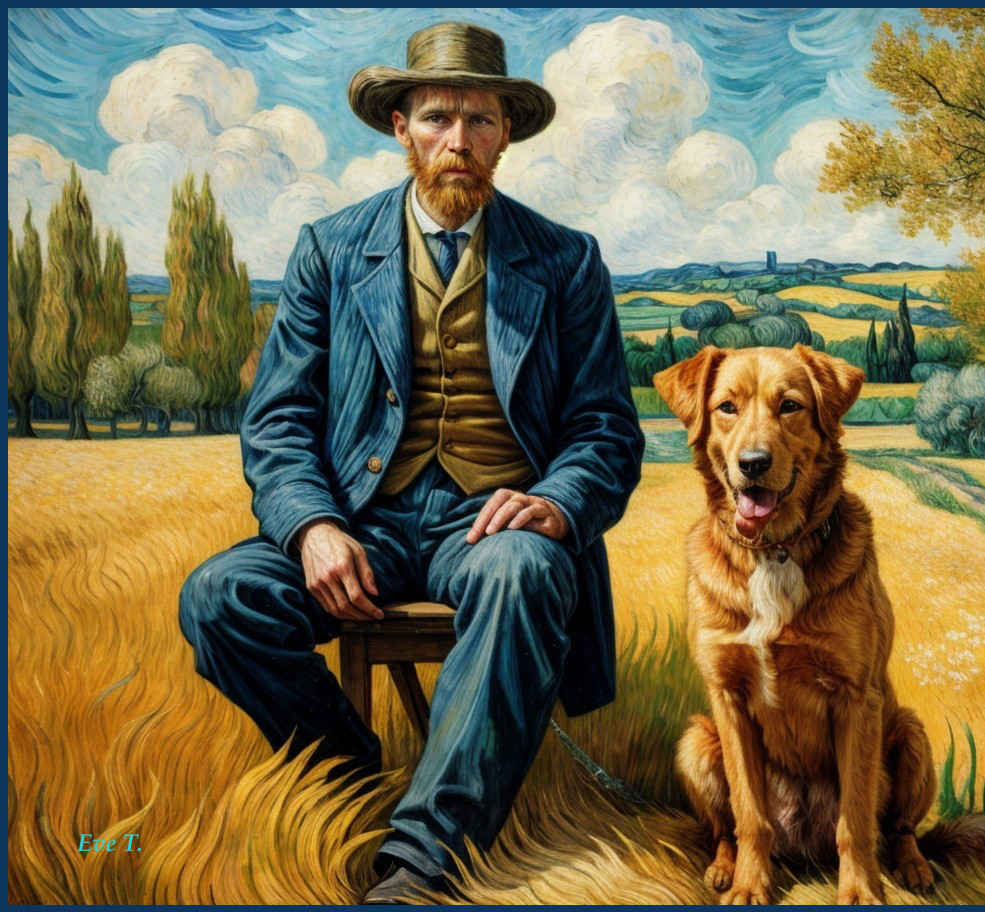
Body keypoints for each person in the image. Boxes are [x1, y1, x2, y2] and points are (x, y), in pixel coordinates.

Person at [177, 20, 644, 903]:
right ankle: (358, 782)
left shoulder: (567, 260)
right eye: (437, 118)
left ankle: (420, 860)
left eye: (479, 120)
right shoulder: (329, 250)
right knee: (218, 597)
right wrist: (313, 526)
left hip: (492, 525)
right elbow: (277, 422)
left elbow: (608, 431)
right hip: (365, 521)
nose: (457, 141)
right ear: (401, 128)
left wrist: (556, 504)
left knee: (527, 567)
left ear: (507, 133)